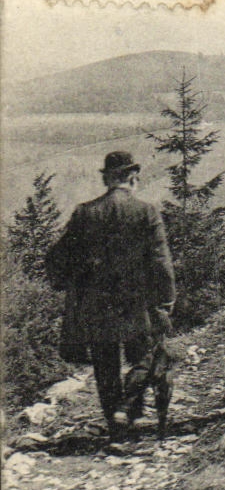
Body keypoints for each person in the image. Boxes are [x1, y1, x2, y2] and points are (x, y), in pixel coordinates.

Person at [44, 151, 176, 440]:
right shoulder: (146, 211)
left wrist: (69, 283)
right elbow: (161, 262)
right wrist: (166, 302)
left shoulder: (85, 212)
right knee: (143, 356)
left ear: (107, 178)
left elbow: (58, 257)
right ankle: (131, 412)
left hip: (97, 303)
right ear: (132, 177)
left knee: (105, 364)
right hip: (137, 302)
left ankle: (116, 425)